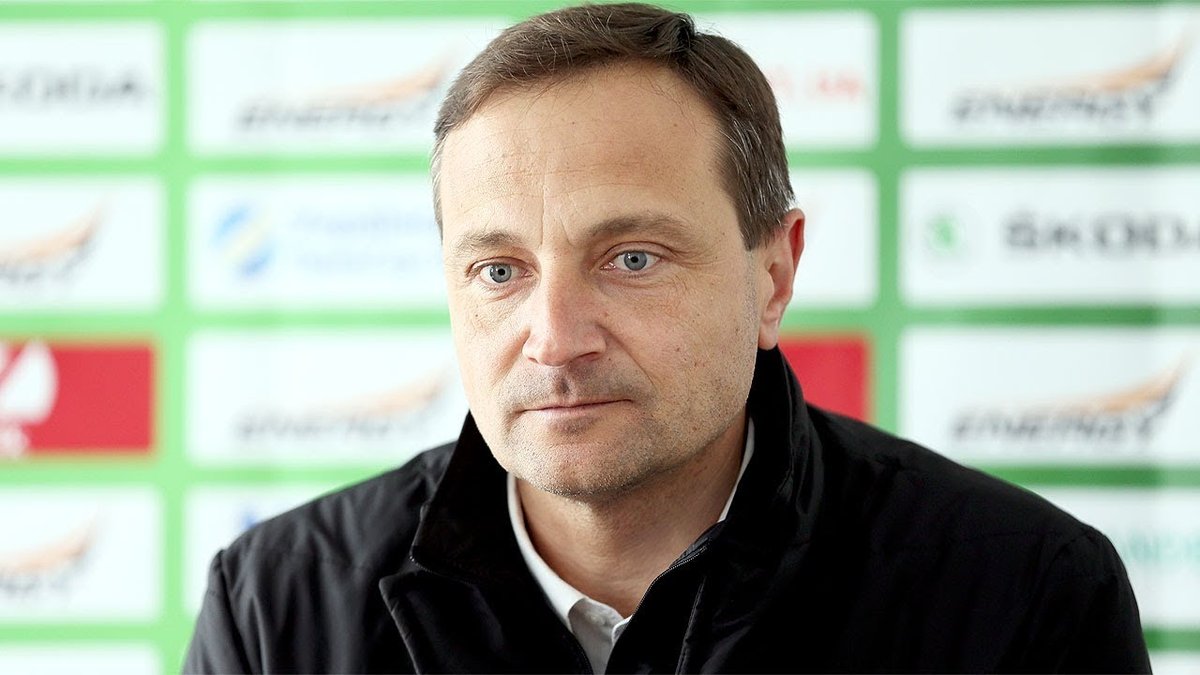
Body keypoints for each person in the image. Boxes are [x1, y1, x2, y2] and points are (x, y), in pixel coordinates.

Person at [184, 3, 1151, 672]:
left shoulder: (1025, 594)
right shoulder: (276, 607)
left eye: (632, 258)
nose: (554, 339)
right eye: (499, 271)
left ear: (773, 276)